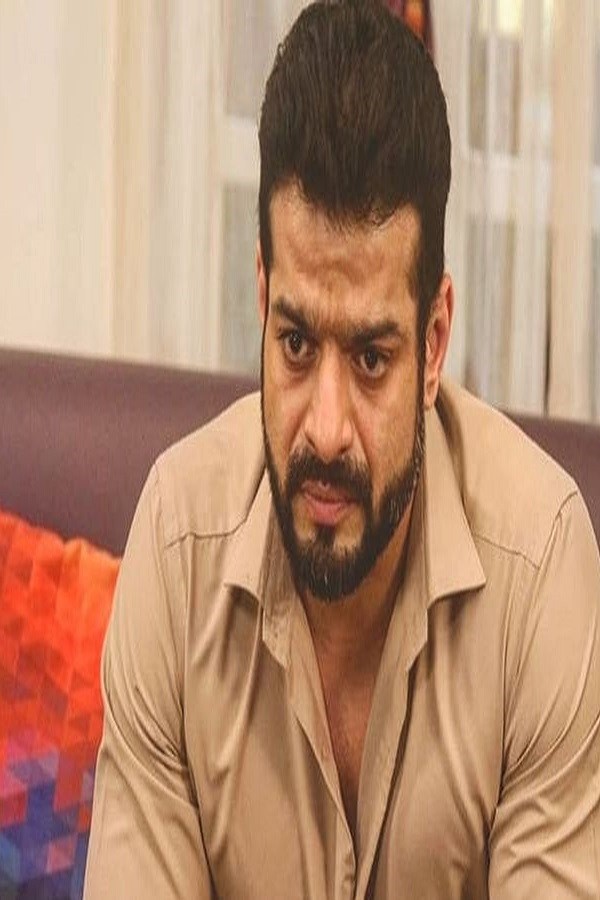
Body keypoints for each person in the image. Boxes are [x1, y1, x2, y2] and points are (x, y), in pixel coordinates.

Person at [84, 2, 600, 897]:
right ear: (261, 298)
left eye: (370, 359)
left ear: (433, 342)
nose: (325, 429)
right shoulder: (176, 544)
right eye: (295, 344)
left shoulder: (541, 563)